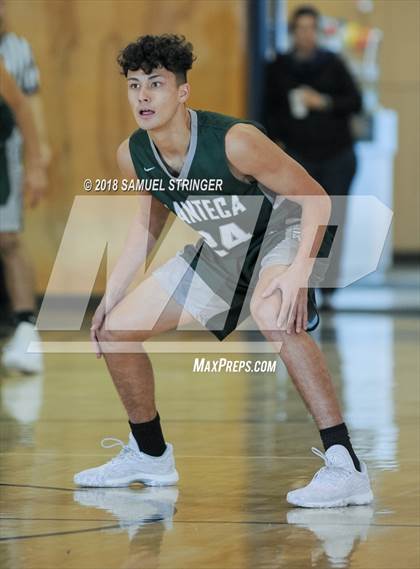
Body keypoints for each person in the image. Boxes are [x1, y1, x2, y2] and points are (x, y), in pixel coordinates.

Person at [73, 34, 373, 508]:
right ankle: (151, 455)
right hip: (225, 250)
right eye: (135, 86)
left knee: (273, 310)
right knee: (115, 329)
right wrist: (111, 293)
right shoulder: (133, 155)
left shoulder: (236, 142)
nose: (144, 96)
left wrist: (298, 272)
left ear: (182, 92)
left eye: (156, 83)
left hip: (283, 230)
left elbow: (315, 197)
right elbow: (144, 227)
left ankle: (345, 464)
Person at [265, 5, 362, 309]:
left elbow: (355, 102)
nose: (306, 34)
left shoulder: (333, 64)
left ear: (318, 32)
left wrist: (323, 102)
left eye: (311, 28)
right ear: (293, 32)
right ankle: (299, 284)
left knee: (333, 220)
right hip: (297, 156)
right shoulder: (278, 67)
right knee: (295, 223)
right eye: (300, 28)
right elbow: (268, 110)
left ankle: (328, 289)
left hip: (337, 154)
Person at [0, 0, 50, 373]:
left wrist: (37, 159)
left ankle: (25, 329)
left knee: (9, 238)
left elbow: (25, 106)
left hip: (6, 153)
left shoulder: (15, 50)